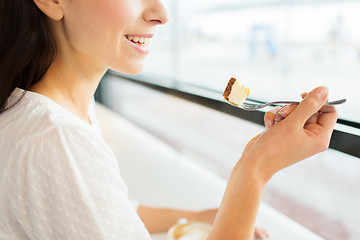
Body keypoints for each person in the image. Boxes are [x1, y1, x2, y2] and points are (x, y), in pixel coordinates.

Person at [0, 0, 338, 239]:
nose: (161, 14)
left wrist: (198, 217)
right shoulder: (56, 140)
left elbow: (101, 209)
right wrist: (256, 166)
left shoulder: (52, 113)